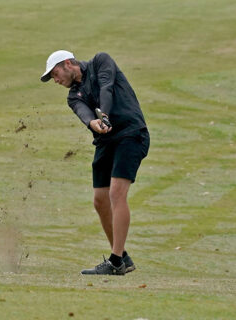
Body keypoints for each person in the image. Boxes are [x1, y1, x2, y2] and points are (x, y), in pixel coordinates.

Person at [40, 50, 150, 275]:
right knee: (100, 200)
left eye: (56, 73)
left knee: (116, 194)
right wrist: (94, 123)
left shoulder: (101, 62)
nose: (56, 80)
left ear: (68, 63)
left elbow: (106, 87)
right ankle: (124, 258)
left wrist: (105, 115)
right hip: (106, 141)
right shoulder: (73, 96)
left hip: (130, 133)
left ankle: (116, 261)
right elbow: (84, 114)